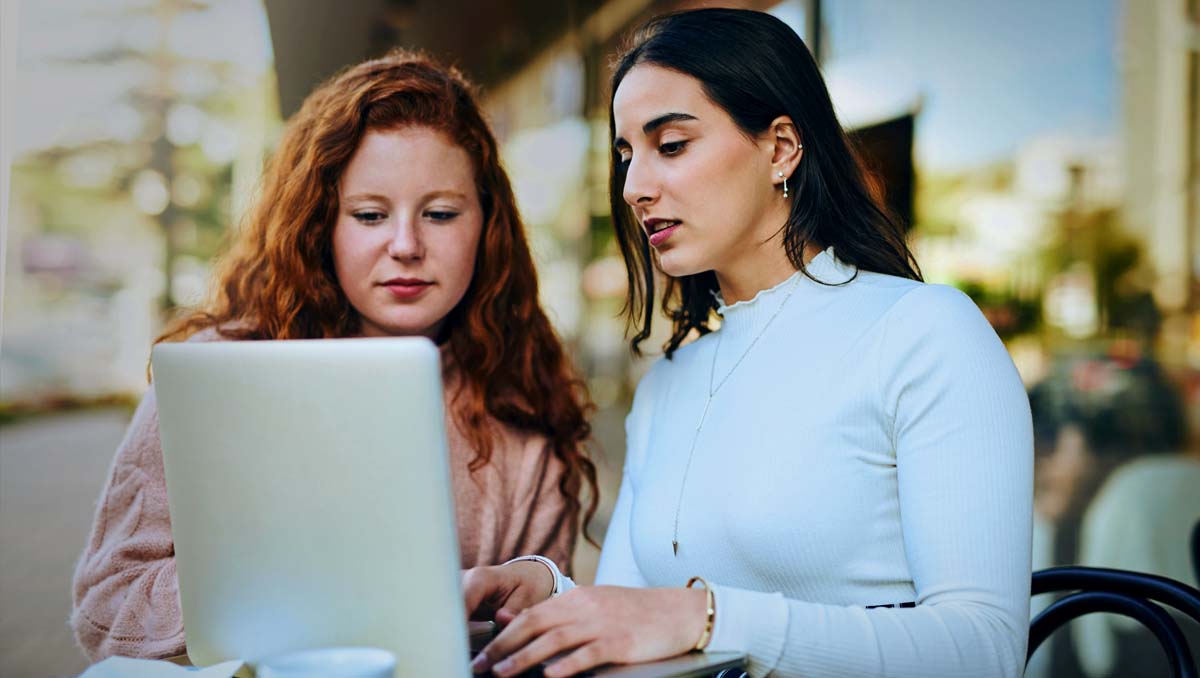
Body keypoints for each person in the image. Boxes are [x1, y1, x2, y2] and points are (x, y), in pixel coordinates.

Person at [463, 9, 1033, 678]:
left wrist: (710, 618)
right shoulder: (670, 380)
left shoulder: (923, 331)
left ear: (782, 148)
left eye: (670, 145)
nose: (634, 188)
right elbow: (642, 610)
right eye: (625, 157)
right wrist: (550, 596)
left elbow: (985, 651)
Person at [71, 50, 597, 662]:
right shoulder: (219, 375)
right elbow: (108, 608)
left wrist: (537, 591)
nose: (405, 245)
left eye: (441, 213)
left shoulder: (525, 406)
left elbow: (540, 643)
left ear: (487, 224)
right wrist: (304, 582)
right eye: (370, 215)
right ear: (323, 223)